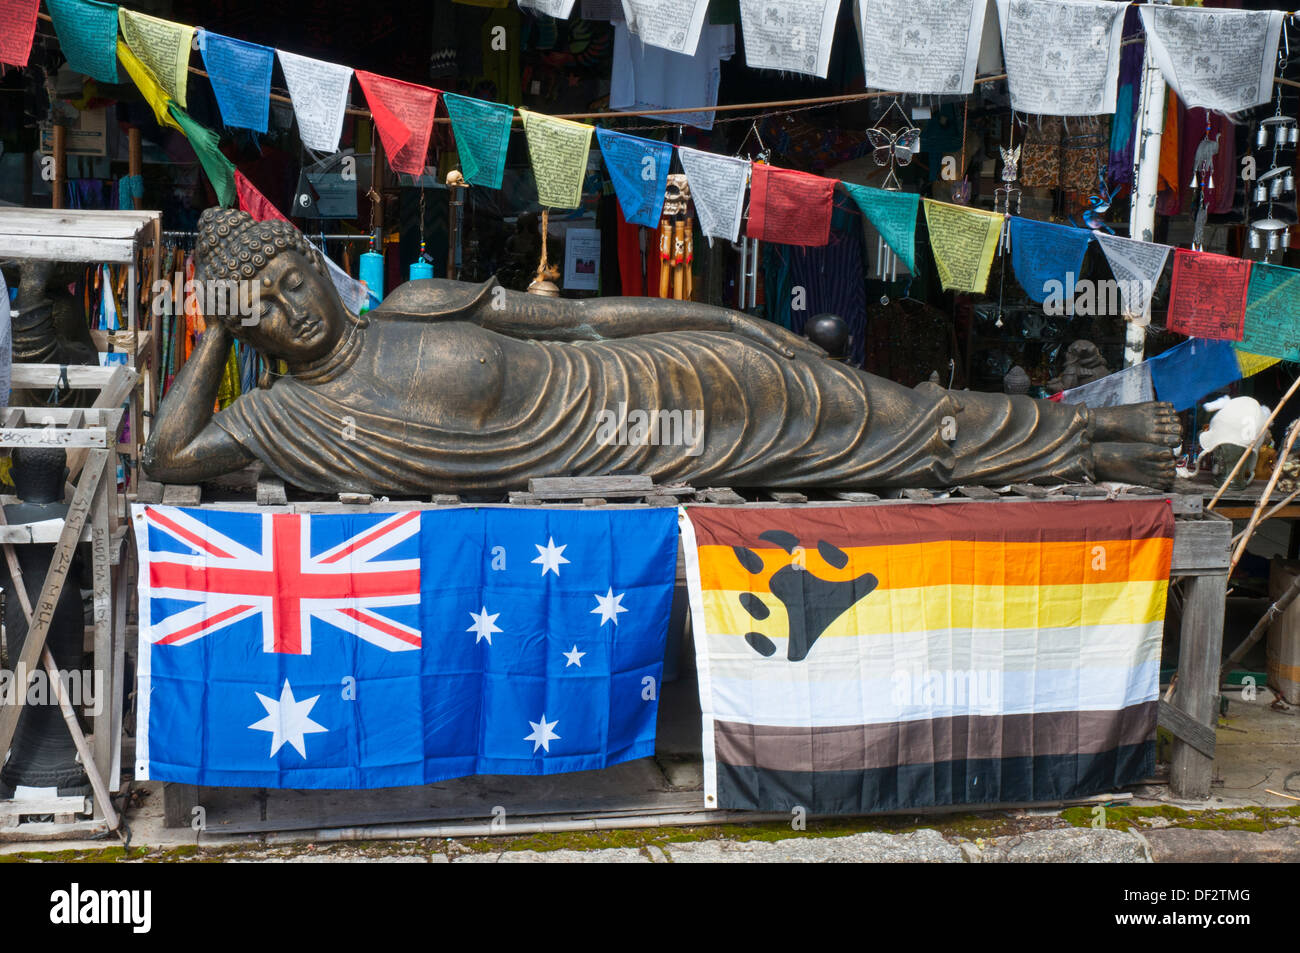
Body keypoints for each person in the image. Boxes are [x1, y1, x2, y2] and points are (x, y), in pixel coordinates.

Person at [144, 209, 1181, 494]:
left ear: (319, 269)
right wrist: (217, 326)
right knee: (886, 449)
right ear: (249, 327)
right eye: (266, 306)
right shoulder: (281, 414)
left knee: (886, 410)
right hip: (651, 455)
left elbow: (589, 320)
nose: (294, 306)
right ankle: (1087, 442)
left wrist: (728, 322)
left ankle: (1094, 435)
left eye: (293, 277)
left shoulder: (415, 301)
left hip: (669, 377)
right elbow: (167, 454)